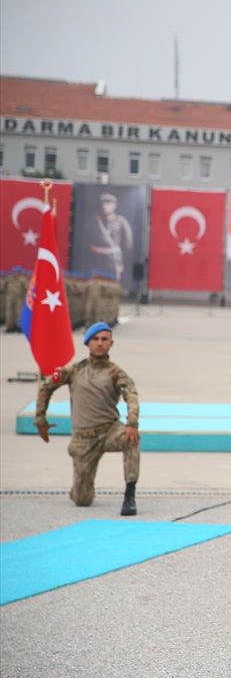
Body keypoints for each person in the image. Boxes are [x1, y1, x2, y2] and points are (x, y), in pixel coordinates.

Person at [34, 322, 141, 516]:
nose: (100, 344)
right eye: (95, 339)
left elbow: (131, 396)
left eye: (104, 339)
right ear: (88, 343)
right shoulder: (73, 371)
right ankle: (82, 486)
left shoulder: (116, 373)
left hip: (110, 431)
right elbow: (46, 387)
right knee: (82, 500)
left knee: (130, 439)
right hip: (83, 439)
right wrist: (40, 420)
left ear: (111, 343)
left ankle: (130, 495)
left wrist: (132, 423)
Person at [86, 193, 134, 284]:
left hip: (113, 259)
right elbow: (87, 240)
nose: (104, 206)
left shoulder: (121, 222)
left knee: (113, 283)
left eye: (108, 203)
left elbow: (128, 245)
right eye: (102, 204)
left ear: (114, 205)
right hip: (96, 259)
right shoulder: (94, 221)